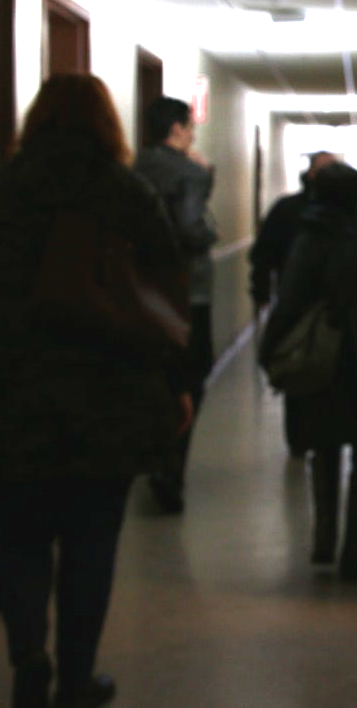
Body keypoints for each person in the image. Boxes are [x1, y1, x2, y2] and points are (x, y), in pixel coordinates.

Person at [0, 74, 190, 708]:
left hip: (9, 396)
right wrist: (177, 385)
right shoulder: (127, 194)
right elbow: (165, 296)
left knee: (16, 536)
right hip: (106, 398)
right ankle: (77, 677)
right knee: (90, 542)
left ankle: (28, 655)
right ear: (108, 123)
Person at [258, 162, 357, 581]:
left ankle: (324, 541)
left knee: (324, 450)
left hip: (323, 361)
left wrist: (268, 348)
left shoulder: (312, 238)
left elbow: (289, 301)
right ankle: (352, 555)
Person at [134, 96, 217, 513]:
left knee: (151, 376)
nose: (192, 136)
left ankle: (151, 458)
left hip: (139, 291)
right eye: (190, 128)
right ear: (178, 129)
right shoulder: (190, 172)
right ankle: (170, 469)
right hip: (187, 294)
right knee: (190, 381)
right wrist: (210, 228)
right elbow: (191, 228)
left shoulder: (133, 169)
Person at [248, 150, 337, 456]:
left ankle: (318, 442)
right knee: (297, 373)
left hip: (334, 313)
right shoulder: (287, 210)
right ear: (310, 174)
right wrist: (260, 293)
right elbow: (262, 256)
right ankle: (300, 440)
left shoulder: (351, 218)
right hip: (295, 306)